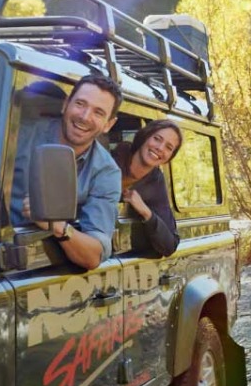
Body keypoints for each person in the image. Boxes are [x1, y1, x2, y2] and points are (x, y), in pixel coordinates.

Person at [10, 75, 121, 269]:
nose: (85, 117)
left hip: (37, 263)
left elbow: (94, 254)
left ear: (108, 125)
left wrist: (56, 224)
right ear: (65, 105)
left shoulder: (106, 172)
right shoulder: (16, 137)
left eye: (98, 112)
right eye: (80, 104)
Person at [111, 118, 182, 258]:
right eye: (157, 139)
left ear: (169, 158)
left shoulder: (155, 181)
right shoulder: (109, 161)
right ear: (144, 137)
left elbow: (169, 246)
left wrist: (145, 211)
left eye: (169, 147)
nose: (160, 148)